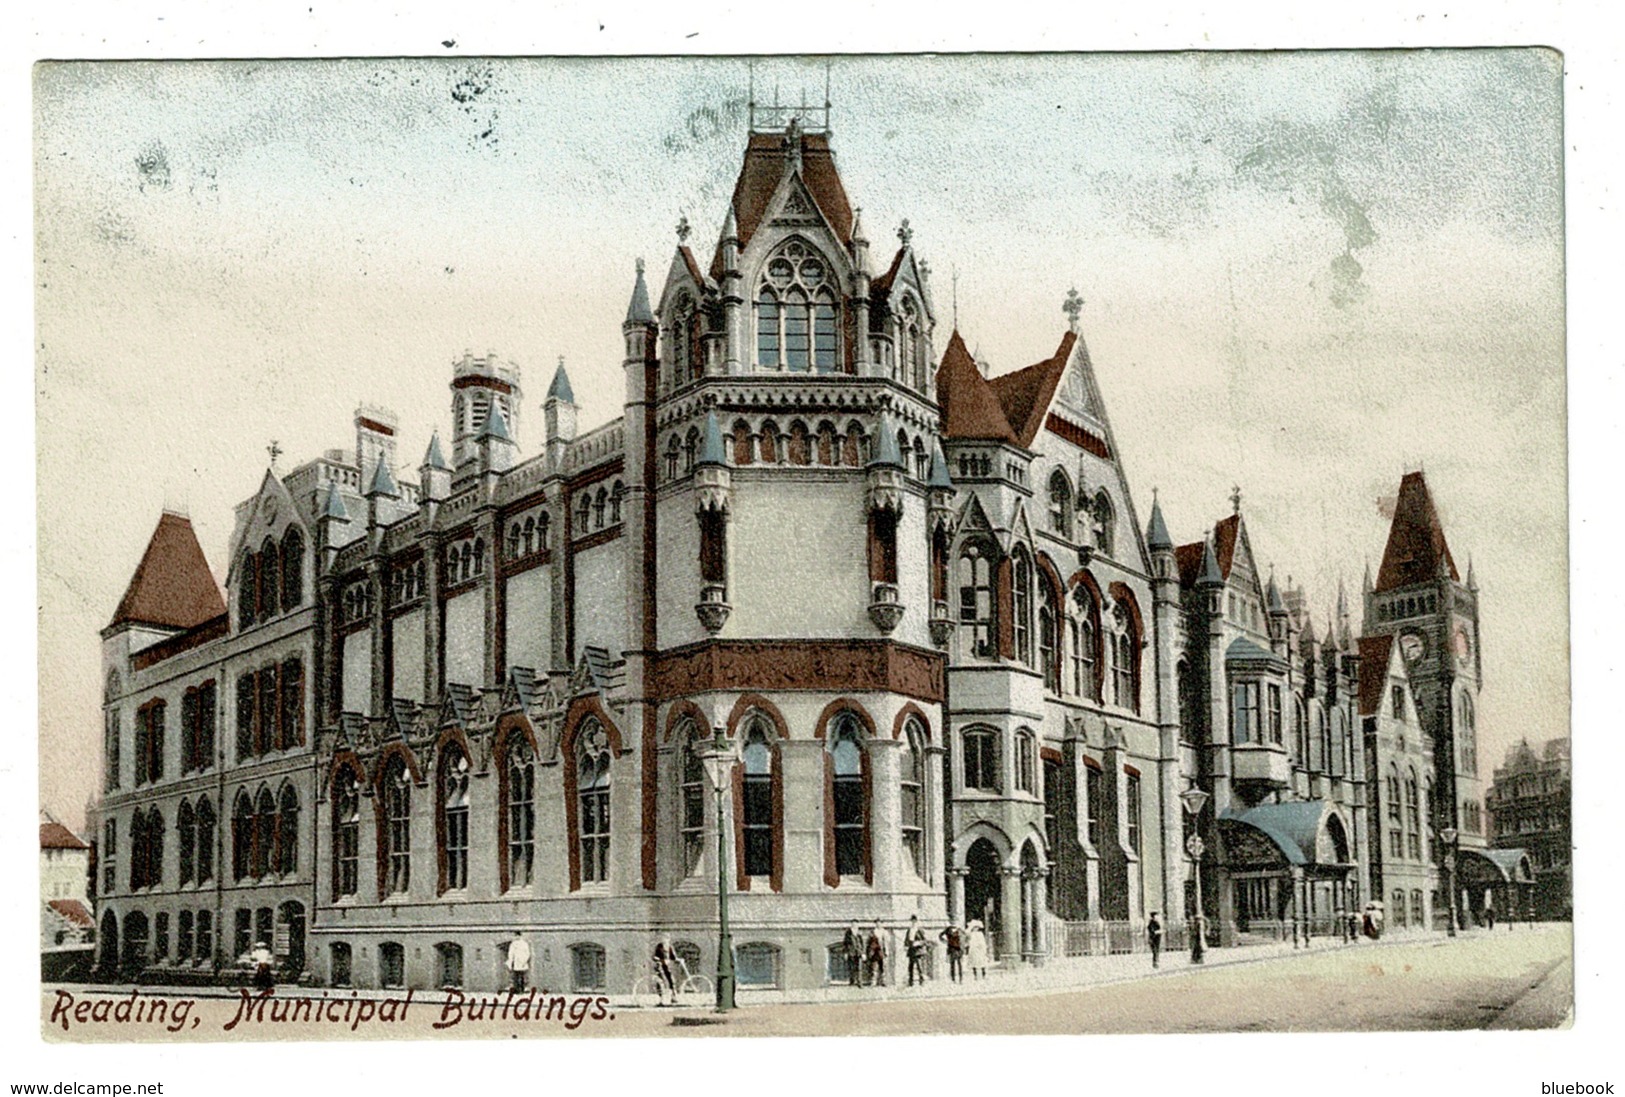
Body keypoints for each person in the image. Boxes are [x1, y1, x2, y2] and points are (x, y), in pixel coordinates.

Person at [904, 915, 929, 987]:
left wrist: (918, 943)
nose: (913, 922)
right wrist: (906, 945)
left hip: (918, 950)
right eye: (912, 921)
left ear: (917, 922)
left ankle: (922, 980)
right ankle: (910, 981)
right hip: (911, 949)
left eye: (915, 921)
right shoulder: (909, 930)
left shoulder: (920, 930)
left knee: (919, 966)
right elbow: (906, 939)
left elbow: (924, 940)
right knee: (910, 966)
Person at [652, 938, 677, 1004]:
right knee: (660, 982)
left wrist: (677, 960)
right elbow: (654, 957)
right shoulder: (658, 947)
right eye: (664, 939)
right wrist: (659, 960)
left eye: (666, 939)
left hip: (667, 967)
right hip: (660, 966)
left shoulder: (670, 947)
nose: (665, 940)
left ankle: (673, 997)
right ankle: (661, 999)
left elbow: (673, 957)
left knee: (671, 981)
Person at [843, 921, 864, 987]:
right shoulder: (848, 933)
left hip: (858, 952)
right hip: (851, 952)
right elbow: (845, 944)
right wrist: (846, 952)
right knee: (851, 967)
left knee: (859, 968)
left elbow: (862, 943)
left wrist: (863, 953)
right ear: (851, 925)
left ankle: (859, 982)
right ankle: (852, 981)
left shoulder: (859, 933)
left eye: (856, 924)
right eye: (853, 924)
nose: (855, 925)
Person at [865, 921, 887, 988]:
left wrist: (886, 951)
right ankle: (873, 982)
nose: (878, 924)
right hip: (875, 952)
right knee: (874, 967)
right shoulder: (872, 932)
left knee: (883, 967)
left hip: (882, 951)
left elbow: (886, 942)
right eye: (877, 923)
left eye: (880, 923)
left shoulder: (884, 932)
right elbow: (868, 942)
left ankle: (883, 981)